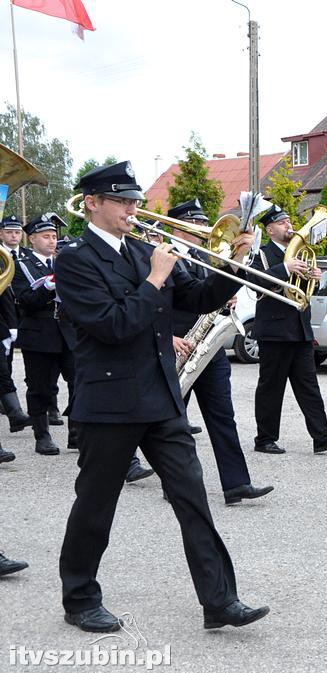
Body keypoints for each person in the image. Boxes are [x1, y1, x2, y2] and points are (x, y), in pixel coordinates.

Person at [56, 160, 268, 633]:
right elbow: (112, 325)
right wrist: (154, 279)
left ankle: (220, 601)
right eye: (124, 200)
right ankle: (80, 597)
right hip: (110, 403)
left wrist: (236, 262)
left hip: (160, 397)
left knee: (192, 499)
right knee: (96, 504)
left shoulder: (142, 249)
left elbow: (198, 297)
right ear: (92, 203)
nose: (134, 208)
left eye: (136, 200)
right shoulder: (75, 258)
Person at [165, 199, 273, 505]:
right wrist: (168, 337)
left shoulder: (203, 255)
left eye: (202, 223)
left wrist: (228, 295)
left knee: (223, 416)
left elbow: (209, 291)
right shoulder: (162, 255)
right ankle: (167, 479)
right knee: (171, 420)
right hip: (177, 345)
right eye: (195, 224)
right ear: (176, 225)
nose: (202, 229)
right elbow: (153, 304)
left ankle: (236, 484)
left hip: (207, 345)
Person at [251, 205, 327, 455]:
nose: (289, 225)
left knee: (309, 386)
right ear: (270, 229)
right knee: (271, 388)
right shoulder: (261, 255)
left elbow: (304, 294)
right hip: (274, 331)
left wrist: (313, 278)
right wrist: (285, 269)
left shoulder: (303, 253)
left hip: (300, 330)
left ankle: (322, 436)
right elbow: (255, 283)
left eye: (288, 221)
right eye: (282, 223)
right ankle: (264, 439)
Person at [11, 215, 77, 455]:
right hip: (39, 334)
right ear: (33, 239)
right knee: (40, 388)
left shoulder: (63, 262)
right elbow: (24, 301)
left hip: (68, 333)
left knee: (78, 382)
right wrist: (48, 289)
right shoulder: (21, 266)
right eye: (46, 236)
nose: (52, 241)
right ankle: (42, 436)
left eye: (54, 236)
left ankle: (76, 434)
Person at [0, 216, 31, 431]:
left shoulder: (26, 256)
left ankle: (14, 412)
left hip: (20, 319)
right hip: (5, 319)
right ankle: (13, 411)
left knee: (4, 367)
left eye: (17, 231)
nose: (14, 235)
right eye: (9, 231)